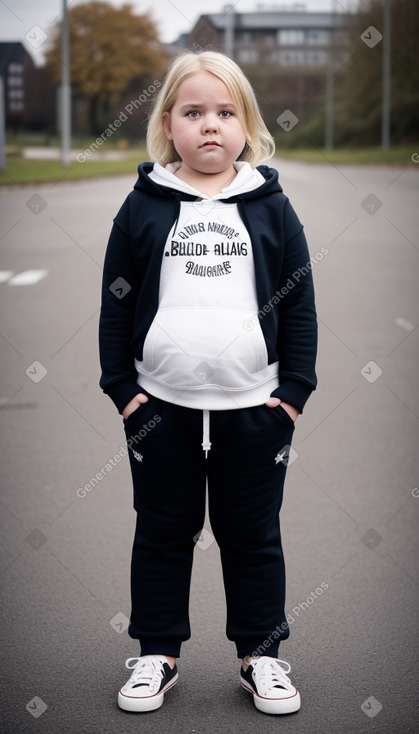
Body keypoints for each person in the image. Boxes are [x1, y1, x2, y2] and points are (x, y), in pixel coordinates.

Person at [99, 50, 317, 716]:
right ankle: (156, 652)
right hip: (158, 405)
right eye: (193, 113)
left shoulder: (270, 207)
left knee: (252, 534)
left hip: (254, 407)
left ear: (246, 126)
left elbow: (299, 301)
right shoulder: (142, 206)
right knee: (161, 531)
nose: (210, 126)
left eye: (225, 113)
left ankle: (261, 657)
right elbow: (117, 297)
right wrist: (122, 389)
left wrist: (293, 394)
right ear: (168, 125)